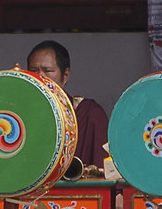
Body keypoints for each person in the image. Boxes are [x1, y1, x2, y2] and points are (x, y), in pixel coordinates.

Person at [27, 41, 108, 175]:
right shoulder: (22, 114)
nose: (40, 77)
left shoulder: (88, 113)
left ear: (65, 75)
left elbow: (105, 172)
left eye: (48, 71)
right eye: (34, 71)